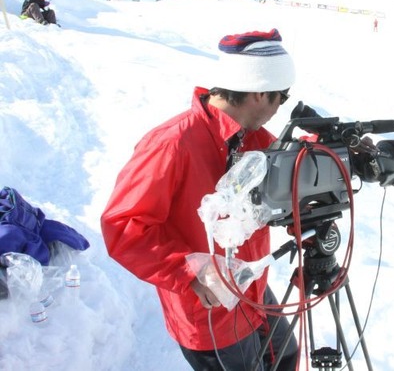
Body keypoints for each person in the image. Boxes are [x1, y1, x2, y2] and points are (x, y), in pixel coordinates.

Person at [101, 28, 298, 371]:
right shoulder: (172, 143)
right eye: (281, 97)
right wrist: (189, 272)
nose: (280, 107)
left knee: (287, 358)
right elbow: (124, 227)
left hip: (251, 289)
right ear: (259, 93)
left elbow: (290, 159)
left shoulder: (251, 137)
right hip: (208, 309)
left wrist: (339, 152)